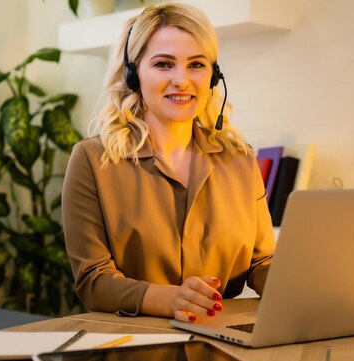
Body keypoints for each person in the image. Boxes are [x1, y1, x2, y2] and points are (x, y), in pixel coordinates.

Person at [61, 3, 275, 323]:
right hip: (135, 346)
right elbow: (93, 280)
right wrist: (168, 298)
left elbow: (261, 264)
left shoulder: (240, 160)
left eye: (196, 65)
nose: (182, 80)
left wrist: (304, 284)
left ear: (213, 76)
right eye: (163, 64)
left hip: (224, 336)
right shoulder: (93, 160)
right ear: (134, 74)